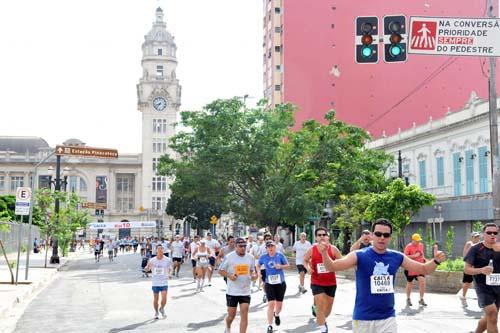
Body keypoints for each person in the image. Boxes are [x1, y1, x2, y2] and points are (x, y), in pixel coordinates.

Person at [318, 218, 445, 333]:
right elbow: (332, 266)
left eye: (386, 235)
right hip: (363, 319)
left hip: (388, 319)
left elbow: (424, 269)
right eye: (378, 234)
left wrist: (436, 261)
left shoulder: (396, 257)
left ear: (390, 237)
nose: (382, 238)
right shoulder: (359, 255)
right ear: (372, 236)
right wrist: (324, 254)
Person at [303, 227, 342, 333]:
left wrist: (335, 266)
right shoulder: (312, 249)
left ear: (327, 237)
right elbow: (305, 260)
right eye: (319, 235)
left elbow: (342, 261)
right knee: (320, 304)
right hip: (316, 281)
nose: (321, 237)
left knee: (327, 311)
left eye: (324, 235)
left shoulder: (333, 249)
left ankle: (322, 320)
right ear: (316, 238)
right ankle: (323, 329)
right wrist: (308, 268)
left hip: (331, 282)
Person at [464, 223, 500, 333]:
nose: (492, 235)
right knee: (493, 315)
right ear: (483, 234)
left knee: (490, 317)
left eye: (495, 233)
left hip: (498, 287)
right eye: (489, 232)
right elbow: (467, 269)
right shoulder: (476, 249)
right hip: (482, 287)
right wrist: (481, 270)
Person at [219, 237, 258, 333]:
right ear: (236, 246)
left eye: (245, 246)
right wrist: (230, 276)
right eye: (240, 246)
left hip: (245, 291)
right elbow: (221, 270)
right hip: (232, 291)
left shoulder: (250, 257)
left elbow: (253, 271)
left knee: (244, 314)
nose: (243, 248)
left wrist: (254, 276)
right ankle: (228, 326)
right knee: (231, 316)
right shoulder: (229, 257)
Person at [257, 241, 290, 333]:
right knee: (271, 304)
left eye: (272, 246)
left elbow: (288, 265)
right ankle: (270, 325)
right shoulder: (263, 257)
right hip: (269, 283)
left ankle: (276, 314)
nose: (271, 248)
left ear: (275, 247)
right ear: (266, 248)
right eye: (269, 247)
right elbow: (258, 265)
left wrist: (281, 266)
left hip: (280, 283)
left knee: (279, 307)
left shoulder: (280, 255)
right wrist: (259, 272)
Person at [144, 244, 172, 319]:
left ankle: (162, 308)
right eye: (158, 249)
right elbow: (147, 269)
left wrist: (169, 274)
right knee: (156, 299)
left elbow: (170, 269)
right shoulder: (152, 260)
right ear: (156, 250)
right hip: (155, 282)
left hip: (164, 282)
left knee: (164, 298)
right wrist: (146, 268)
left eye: (161, 249)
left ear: (163, 250)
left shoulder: (167, 260)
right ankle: (156, 312)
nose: (160, 250)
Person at [404, 233, 427, 307]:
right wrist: (414, 256)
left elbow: (422, 254)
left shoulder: (421, 245)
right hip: (410, 267)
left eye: (419, 240)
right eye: (416, 241)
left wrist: (425, 261)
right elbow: (405, 257)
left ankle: (421, 299)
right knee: (410, 283)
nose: (418, 242)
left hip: (420, 267)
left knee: (422, 281)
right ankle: (408, 298)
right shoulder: (408, 246)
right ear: (412, 240)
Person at [462, 231, 481, 299]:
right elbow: (465, 255)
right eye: (475, 237)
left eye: (478, 237)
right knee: (467, 283)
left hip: (478, 267)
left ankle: (480, 297)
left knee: (479, 283)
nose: (477, 238)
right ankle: (463, 296)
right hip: (469, 267)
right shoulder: (469, 244)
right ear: (472, 237)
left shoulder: (481, 244)